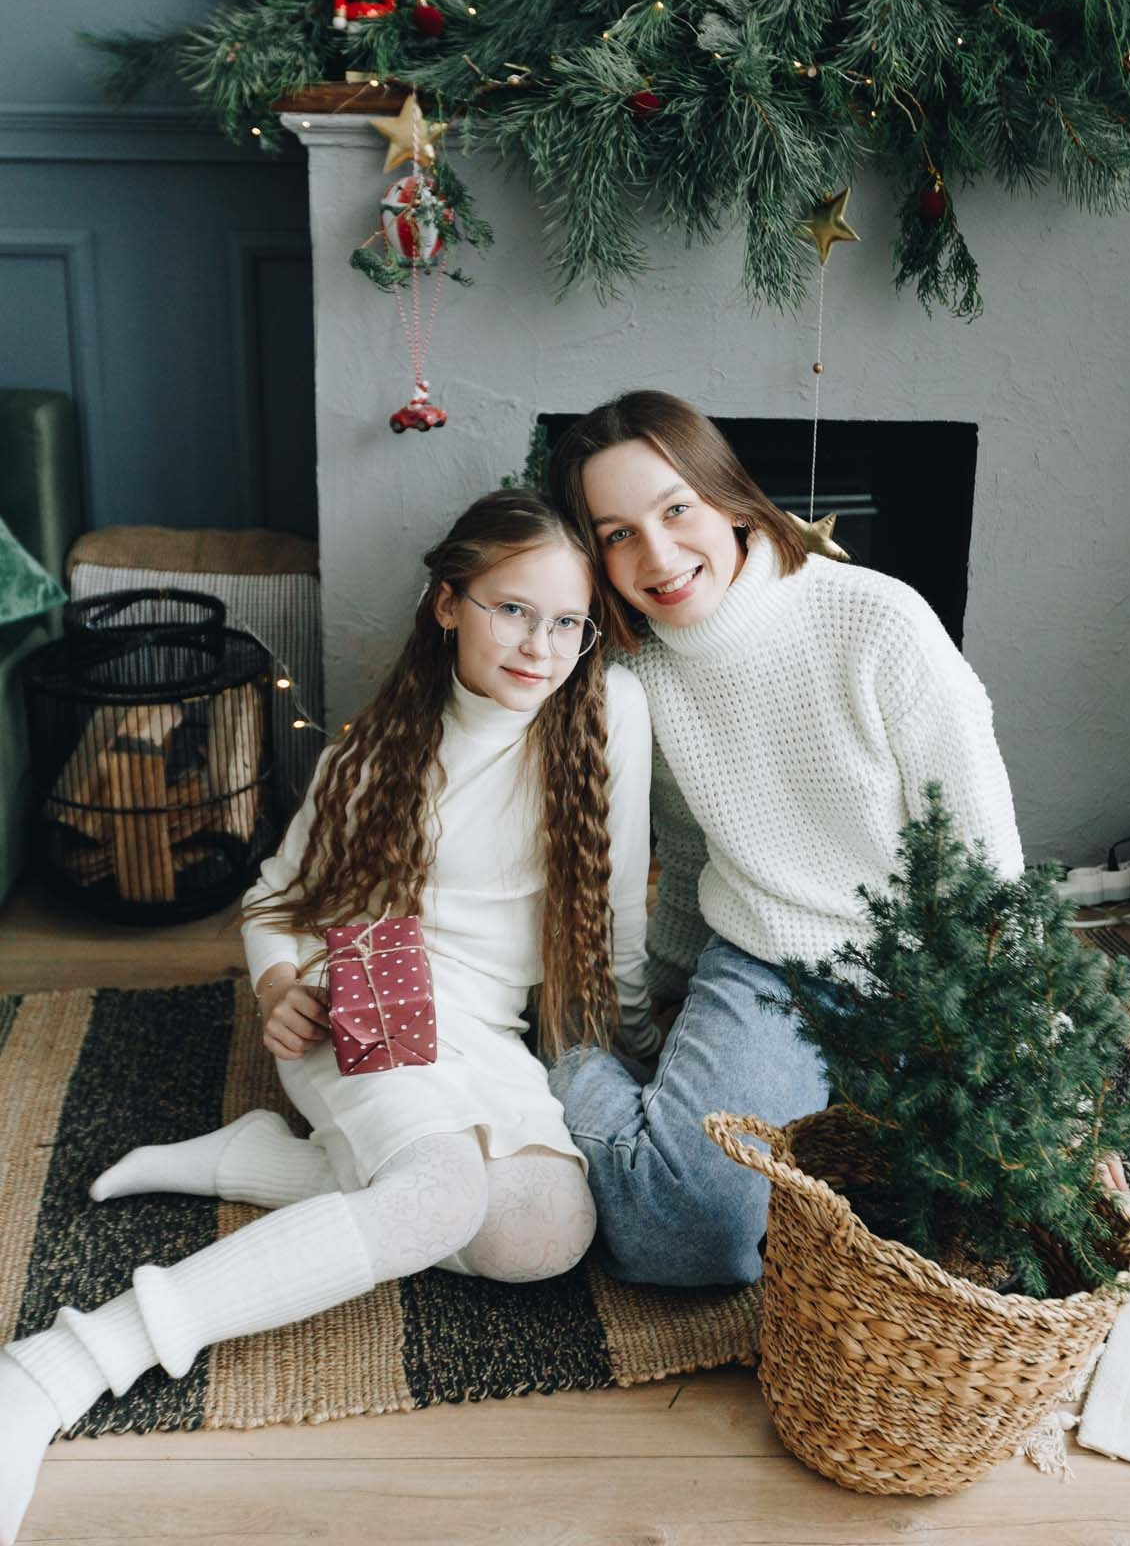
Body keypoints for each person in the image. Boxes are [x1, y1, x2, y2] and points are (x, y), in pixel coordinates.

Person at [0, 490, 660, 1546]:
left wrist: (637, 1045)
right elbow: (275, 899)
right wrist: (277, 988)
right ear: (448, 603)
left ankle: (271, 1159)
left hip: (482, 1027)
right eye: (510, 609)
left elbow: (619, 913)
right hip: (365, 979)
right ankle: (60, 1365)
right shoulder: (376, 749)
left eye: (565, 622)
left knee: (547, 1232)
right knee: (442, 1197)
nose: (541, 646)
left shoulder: (609, 711)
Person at [546, 390, 1025, 1289]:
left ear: (727, 497)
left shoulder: (878, 621)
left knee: (989, 1231)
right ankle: (555, 1062)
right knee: (690, 1237)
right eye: (617, 535)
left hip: (923, 982)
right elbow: (691, 856)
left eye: (675, 510)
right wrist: (655, 1015)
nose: (658, 557)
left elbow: (986, 864)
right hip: (767, 972)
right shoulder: (638, 673)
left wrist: (1029, 1056)